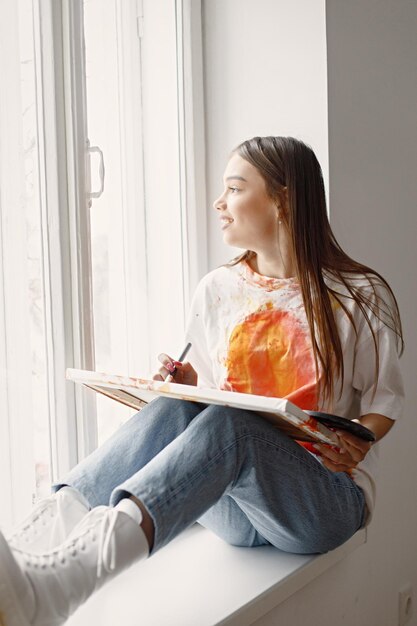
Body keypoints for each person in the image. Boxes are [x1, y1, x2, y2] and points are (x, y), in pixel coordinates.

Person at [0, 136, 404, 625]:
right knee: (176, 409)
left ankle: (67, 581)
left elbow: (384, 401)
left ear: (283, 201)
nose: (219, 202)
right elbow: (210, 400)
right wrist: (187, 384)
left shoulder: (356, 295)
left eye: (234, 188)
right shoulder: (217, 289)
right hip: (236, 504)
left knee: (235, 428)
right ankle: (30, 552)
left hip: (321, 501)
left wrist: (356, 439)